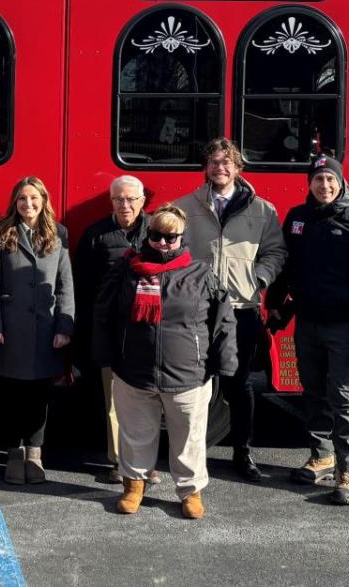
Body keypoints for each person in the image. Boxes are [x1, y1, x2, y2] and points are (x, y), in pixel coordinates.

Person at [93, 204, 237, 520]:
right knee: (134, 434)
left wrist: (224, 363)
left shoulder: (201, 273)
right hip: (134, 371)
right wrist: (105, 357)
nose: (162, 243)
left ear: (181, 238)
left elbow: (223, 321)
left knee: (189, 438)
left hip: (188, 374)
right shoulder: (127, 270)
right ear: (149, 235)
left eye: (170, 237)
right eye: (157, 235)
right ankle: (133, 485)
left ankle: (190, 491)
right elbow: (104, 314)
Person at [265, 155, 349, 504]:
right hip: (305, 324)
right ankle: (322, 455)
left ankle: (348, 469)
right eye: (319, 179)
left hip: (343, 327)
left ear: (341, 184)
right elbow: (285, 269)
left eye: (330, 180)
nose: (325, 186)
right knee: (313, 392)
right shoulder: (297, 219)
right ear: (310, 183)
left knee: (345, 398)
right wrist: (276, 306)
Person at [175, 138, 286, 482]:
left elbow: (275, 252)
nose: (219, 168)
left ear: (238, 168)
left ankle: (243, 452)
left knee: (240, 385)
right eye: (213, 163)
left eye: (226, 163)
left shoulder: (262, 210)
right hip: (197, 309)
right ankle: (191, 456)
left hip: (242, 308)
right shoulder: (184, 206)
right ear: (205, 169)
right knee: (194, 384)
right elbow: (169, 250)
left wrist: (259, 279)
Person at [0, 176, 74, 485]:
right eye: (22, 198)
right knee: (11, 394)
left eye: (34, 198)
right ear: (15, 202)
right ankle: (13, 453)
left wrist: (65, 325)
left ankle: (35, 453)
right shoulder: (1, 230)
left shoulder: (58, 233)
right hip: (11, 329)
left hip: (46, 329)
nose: (28, 204)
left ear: (44, 200)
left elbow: (65, 285)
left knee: (39, 396)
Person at [75, 175, 150, 484]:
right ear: (112, 202)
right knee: (114, 402)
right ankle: (120, 463)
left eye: (132, 199)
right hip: (111, 332)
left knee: (147, 401)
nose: (125, 205)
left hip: (146, 333)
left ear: (143, 201)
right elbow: (82, 285)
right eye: (119, 199)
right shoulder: (96, 235)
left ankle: (144, 462)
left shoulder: (158, 232)